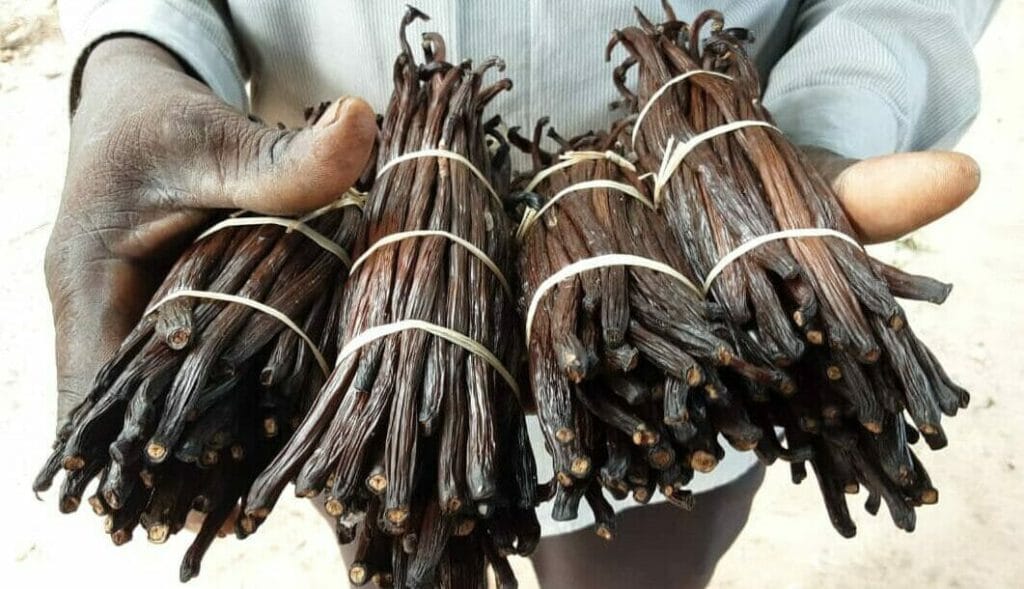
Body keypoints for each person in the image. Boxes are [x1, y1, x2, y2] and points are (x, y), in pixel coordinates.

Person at [48, 1, 993, 587]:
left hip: (692, 338)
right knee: (413, 533)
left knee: (640, 566)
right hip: (356, 307)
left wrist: (831, 119)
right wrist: (134, 53)